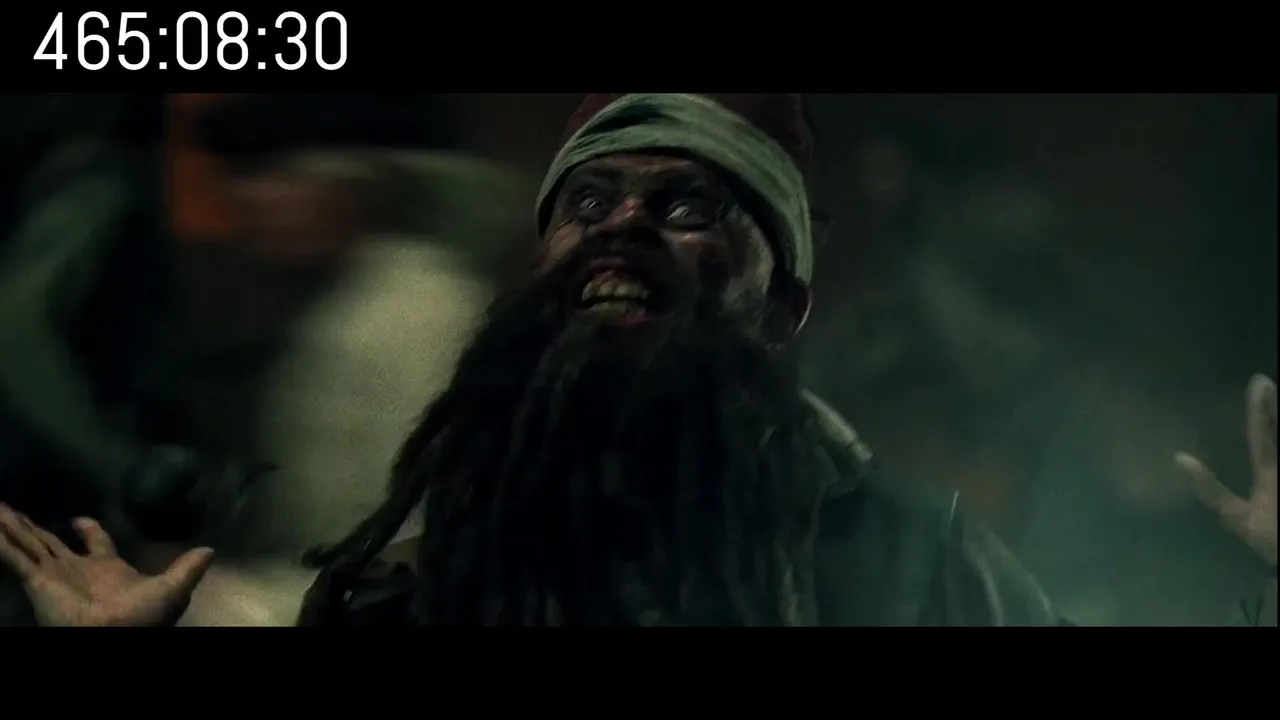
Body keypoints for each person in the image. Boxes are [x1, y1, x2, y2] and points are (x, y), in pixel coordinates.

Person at [0, 93, 1273, 626]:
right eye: (587, 201)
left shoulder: (905, 557)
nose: (620, 225)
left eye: (684, 206)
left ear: (781, 300)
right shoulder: (426, 582)